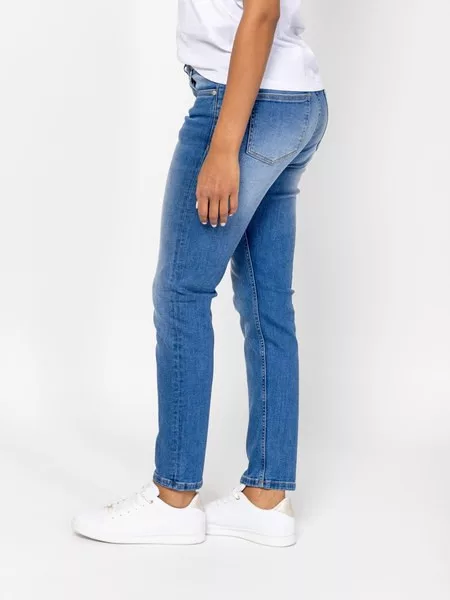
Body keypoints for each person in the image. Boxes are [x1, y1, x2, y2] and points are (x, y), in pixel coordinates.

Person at [72, 0, 328, 547]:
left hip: (242, 102)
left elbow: (261, 12)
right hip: (294, 99)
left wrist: (224, 146)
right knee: (266, 303)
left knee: (181, 293)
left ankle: (174, 498)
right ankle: (265, 499)